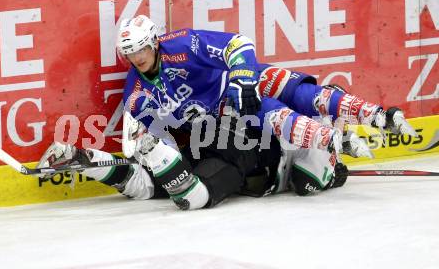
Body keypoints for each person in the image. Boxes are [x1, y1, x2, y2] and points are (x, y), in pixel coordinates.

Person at [36, 14, 416, 210]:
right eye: (130, 54)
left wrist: (241, 80)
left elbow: (239, 43)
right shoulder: (136, 93)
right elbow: (147, 163)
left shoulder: (183, 43)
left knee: (291, 94)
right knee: (304, 179)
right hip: (222, 131)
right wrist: (109, 154)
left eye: (142, 49)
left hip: (238, 89)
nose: (137, 58)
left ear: (154, 42)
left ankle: (373, 117)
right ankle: (334, 138)